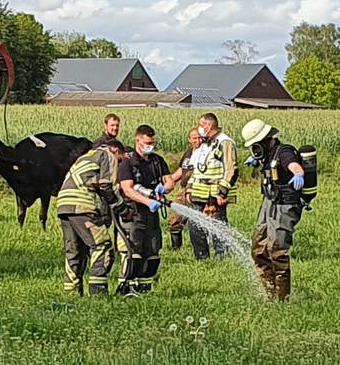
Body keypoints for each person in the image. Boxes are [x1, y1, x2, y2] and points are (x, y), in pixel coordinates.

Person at [241, 118, 308, 301]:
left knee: (276, 250)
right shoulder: (268, 155)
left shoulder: (284, 152)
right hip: (269, 202)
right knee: (258, 248)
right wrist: (256, 160)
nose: (254, 149)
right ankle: (269, 292)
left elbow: (294, 166)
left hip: (284, 205)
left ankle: (282, 298)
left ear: (266, 139)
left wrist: (298, 173)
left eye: (256, 145)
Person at [54, 128, 122, 295]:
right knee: (102, 246)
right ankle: (98, 291)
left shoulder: (85, 157)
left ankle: (71, 293)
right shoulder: (108, 154)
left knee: (75, 250)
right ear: (115, 149)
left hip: (64, 204)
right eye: (121, 159)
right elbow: (106, 186)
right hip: (82, 205)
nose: (119, 164)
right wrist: (120, 205)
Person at [113, 123, 171, 297]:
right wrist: (148, 201)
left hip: (151, 215)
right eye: (147, 143)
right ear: (137, 141)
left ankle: (144, 290)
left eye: (153, 143)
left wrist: (164, 188)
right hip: (133, 213)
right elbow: (128, 189)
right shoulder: (128, 162)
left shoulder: (157, 161)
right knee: (133, 253)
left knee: (152, 253)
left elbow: (169, 181)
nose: (150, 146)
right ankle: (125, 289)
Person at [176, 113, 235, 259]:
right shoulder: (204, 144)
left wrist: (222, 192)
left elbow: (231, 169)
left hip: (215, 195)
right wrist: (189, 189)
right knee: (195, 226)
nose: (199, 128)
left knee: (217, 226)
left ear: (208, 125)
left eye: (201, 125)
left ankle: (222, 257)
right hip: (198, 193)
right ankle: (202, 258)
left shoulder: (224, 142)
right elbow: (195, 169)